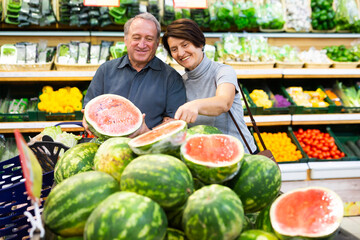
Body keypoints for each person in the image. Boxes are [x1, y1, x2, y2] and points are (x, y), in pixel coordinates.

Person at [82, 12, 186, 137]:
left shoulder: (172, 78)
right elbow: (89, 110)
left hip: (149, 150)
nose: (142, 45)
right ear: (126, 40)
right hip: (106, 147)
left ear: (157, 43)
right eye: (136, 38)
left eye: (149, 39)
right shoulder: (105, 70)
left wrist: (148, 133)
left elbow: (173, 123)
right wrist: (87, 120)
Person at [162, 18, 257, 153]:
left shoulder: (223, 71)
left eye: (185, 45)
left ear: (199, 43)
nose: (181, 53)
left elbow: (224, 102)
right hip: (205, 156)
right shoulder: (180, 82)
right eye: (174, 49)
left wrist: (195, 105)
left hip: (239, 154)